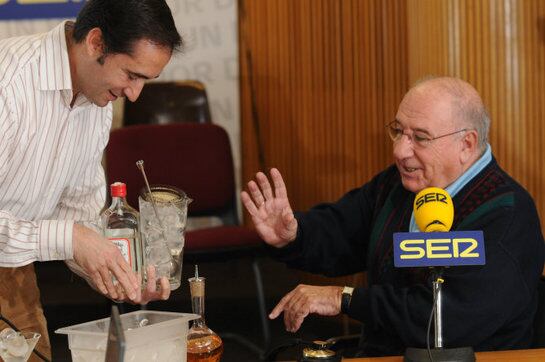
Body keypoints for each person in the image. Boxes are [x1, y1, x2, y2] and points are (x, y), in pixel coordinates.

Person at [241, 77, 545, 356]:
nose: (400, 150)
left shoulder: (507, 214)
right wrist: (294, 234)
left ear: (466, 144)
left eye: (420, 138)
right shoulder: (400, 184)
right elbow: (342, 232)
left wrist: (345, 299)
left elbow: (448, 319)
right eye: (398, 131)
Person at [0, 0, 182, 359]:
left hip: (13, 274)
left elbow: (76, 217)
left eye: (147, 80)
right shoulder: (9, 79)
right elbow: (70, 235)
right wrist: (72, 238)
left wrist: (116, 275)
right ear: (96, 42)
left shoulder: (98, 103)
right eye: (131, 75)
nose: (134, 94)